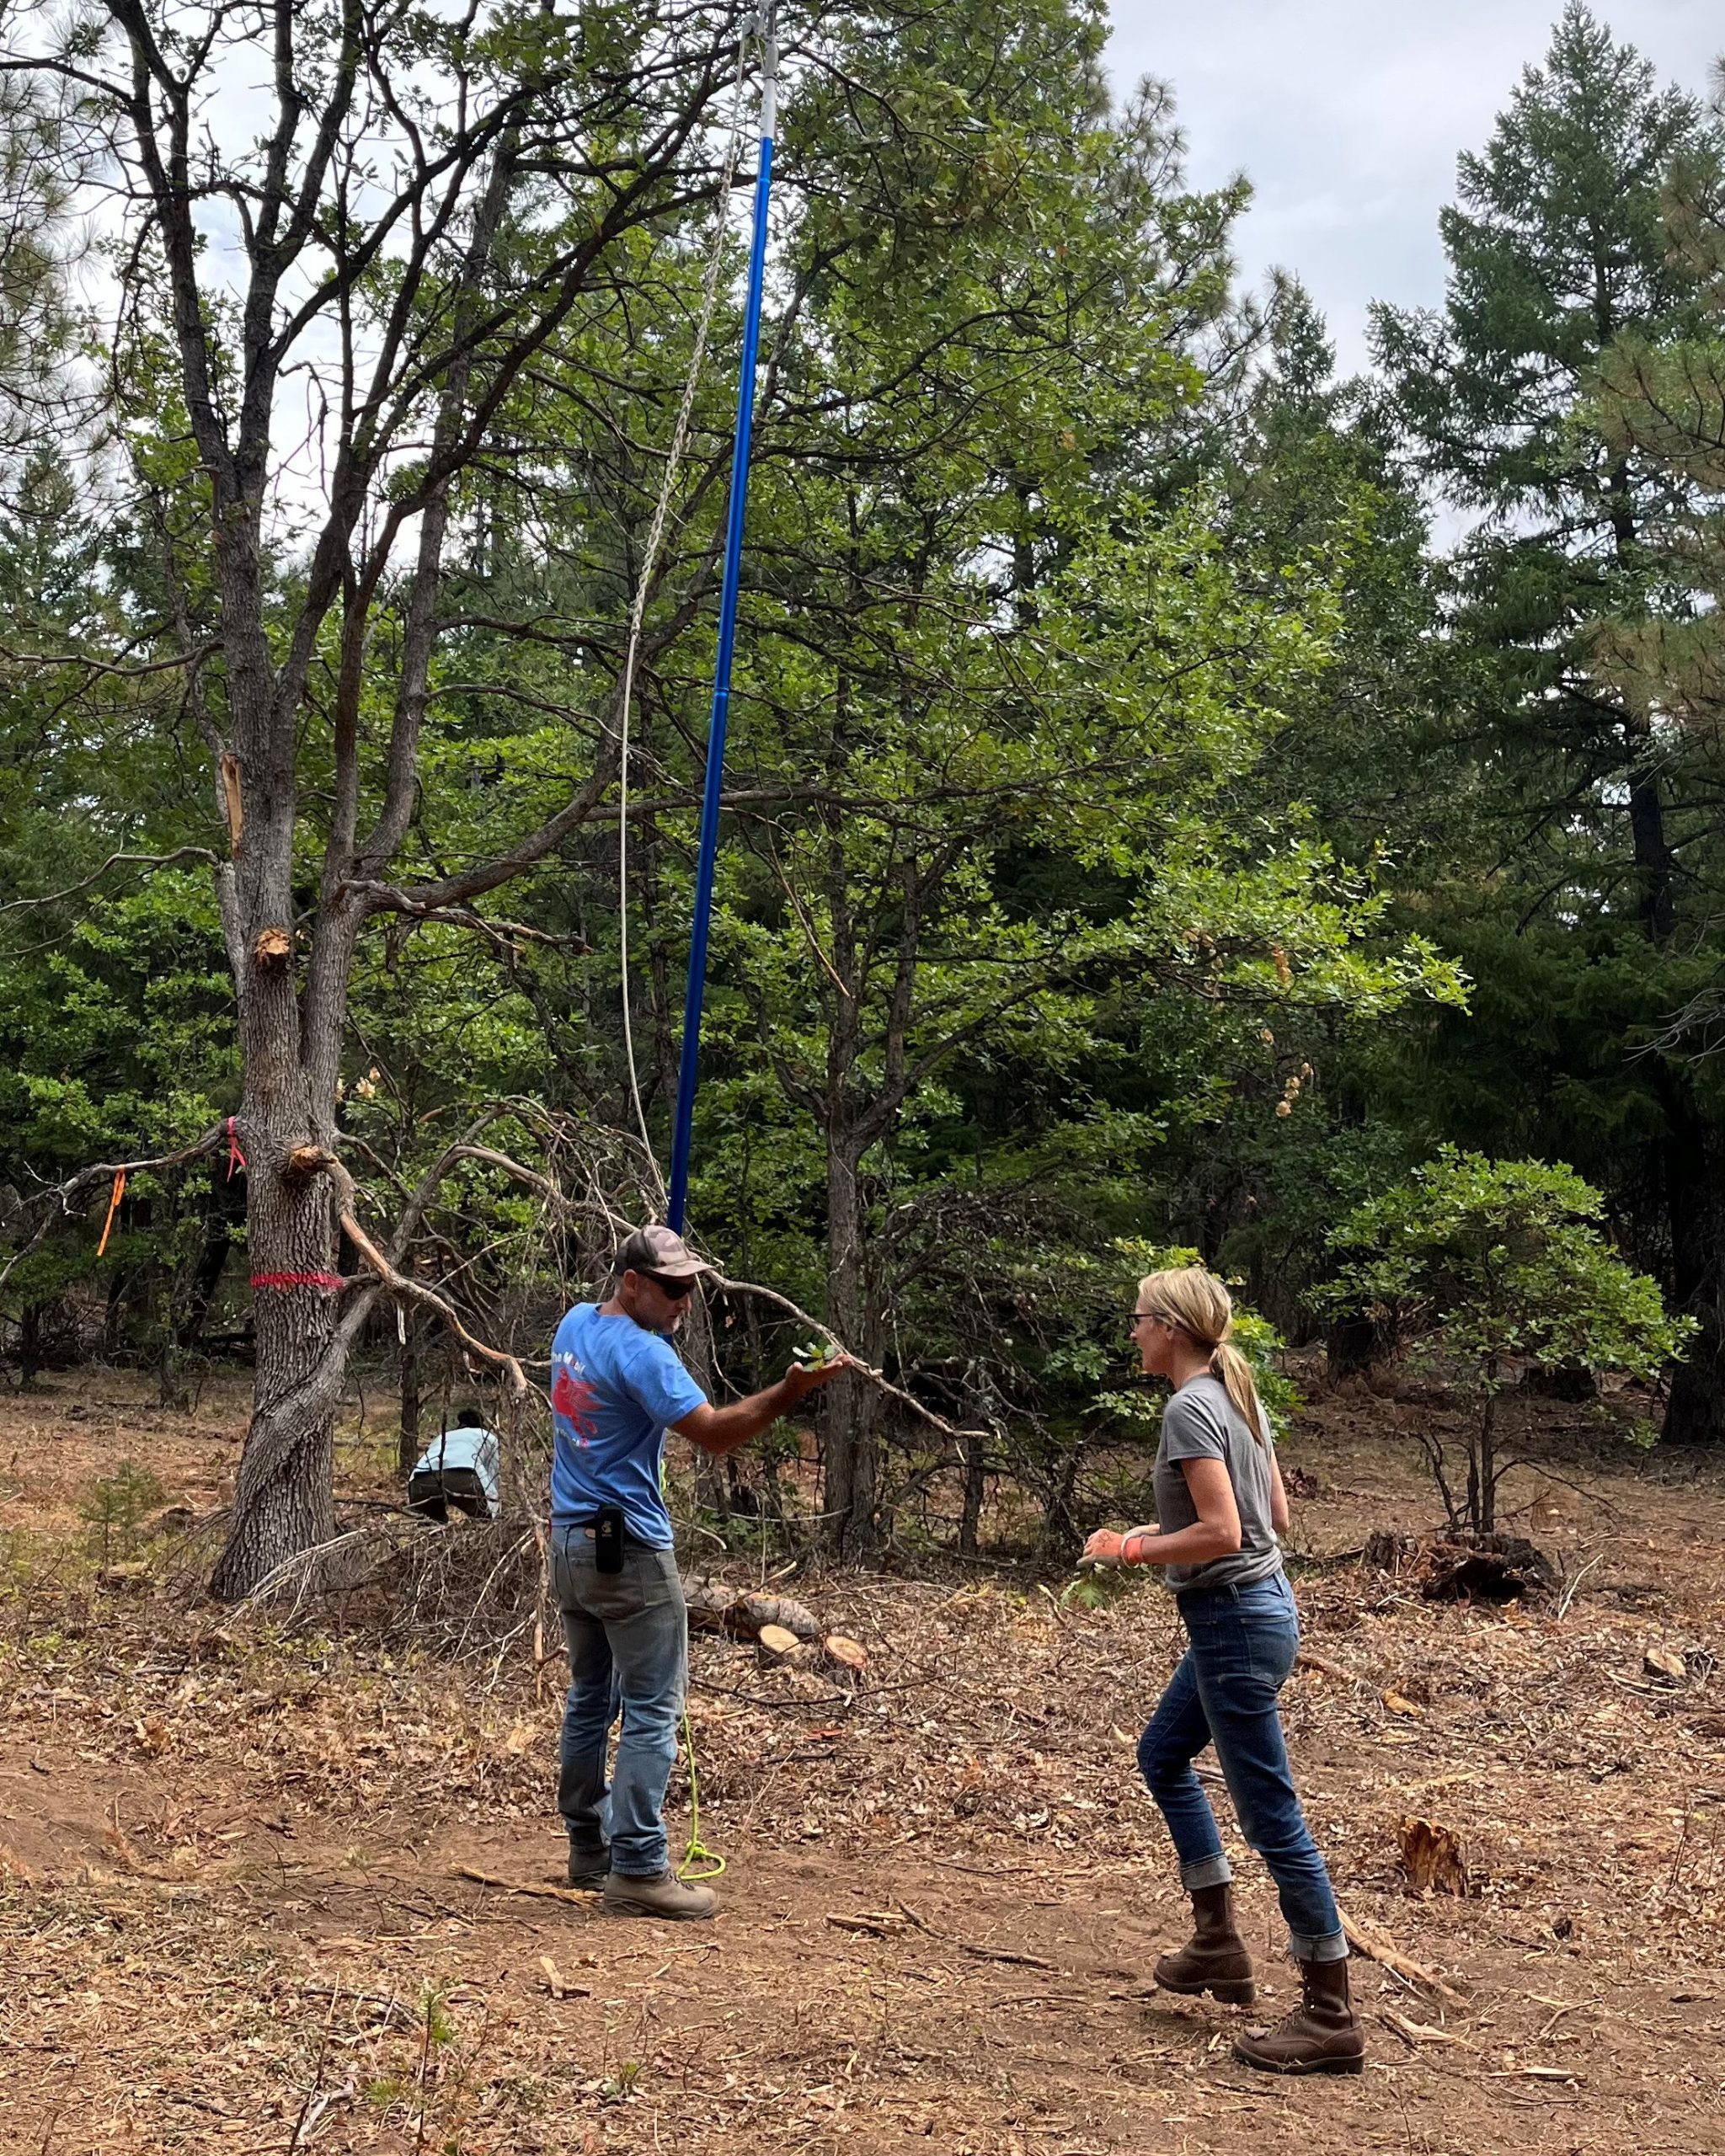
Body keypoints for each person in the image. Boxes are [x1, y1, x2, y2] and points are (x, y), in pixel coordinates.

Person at [1082, 1265, 1364, 2076]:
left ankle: (1329, 2013)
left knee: (1272, 1815)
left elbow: (1226, 1532)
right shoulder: (1235, 1396)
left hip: (1234, 1624)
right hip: (1255, 1616)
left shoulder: (1188, 1408)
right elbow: (1272, 1515)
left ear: (1170, 1326)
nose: (1132, 1331)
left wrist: (1133, 1549)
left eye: (1139, 1318)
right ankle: (1217, 1943)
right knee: (1163, 1756)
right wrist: (1153, 1527)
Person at [550, 1224, 850, 1920]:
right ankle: (641, 1868)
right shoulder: (645, 1354)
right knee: (654, 1707)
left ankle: (588, 1848)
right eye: (673, 1287)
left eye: (692, 1287)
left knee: (591, 1695)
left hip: (569, 1541)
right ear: (631, 1283)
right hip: (629, 1551)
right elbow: (714, 1434)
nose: (687, 1301)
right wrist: (791, 1389)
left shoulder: (576, 1324)